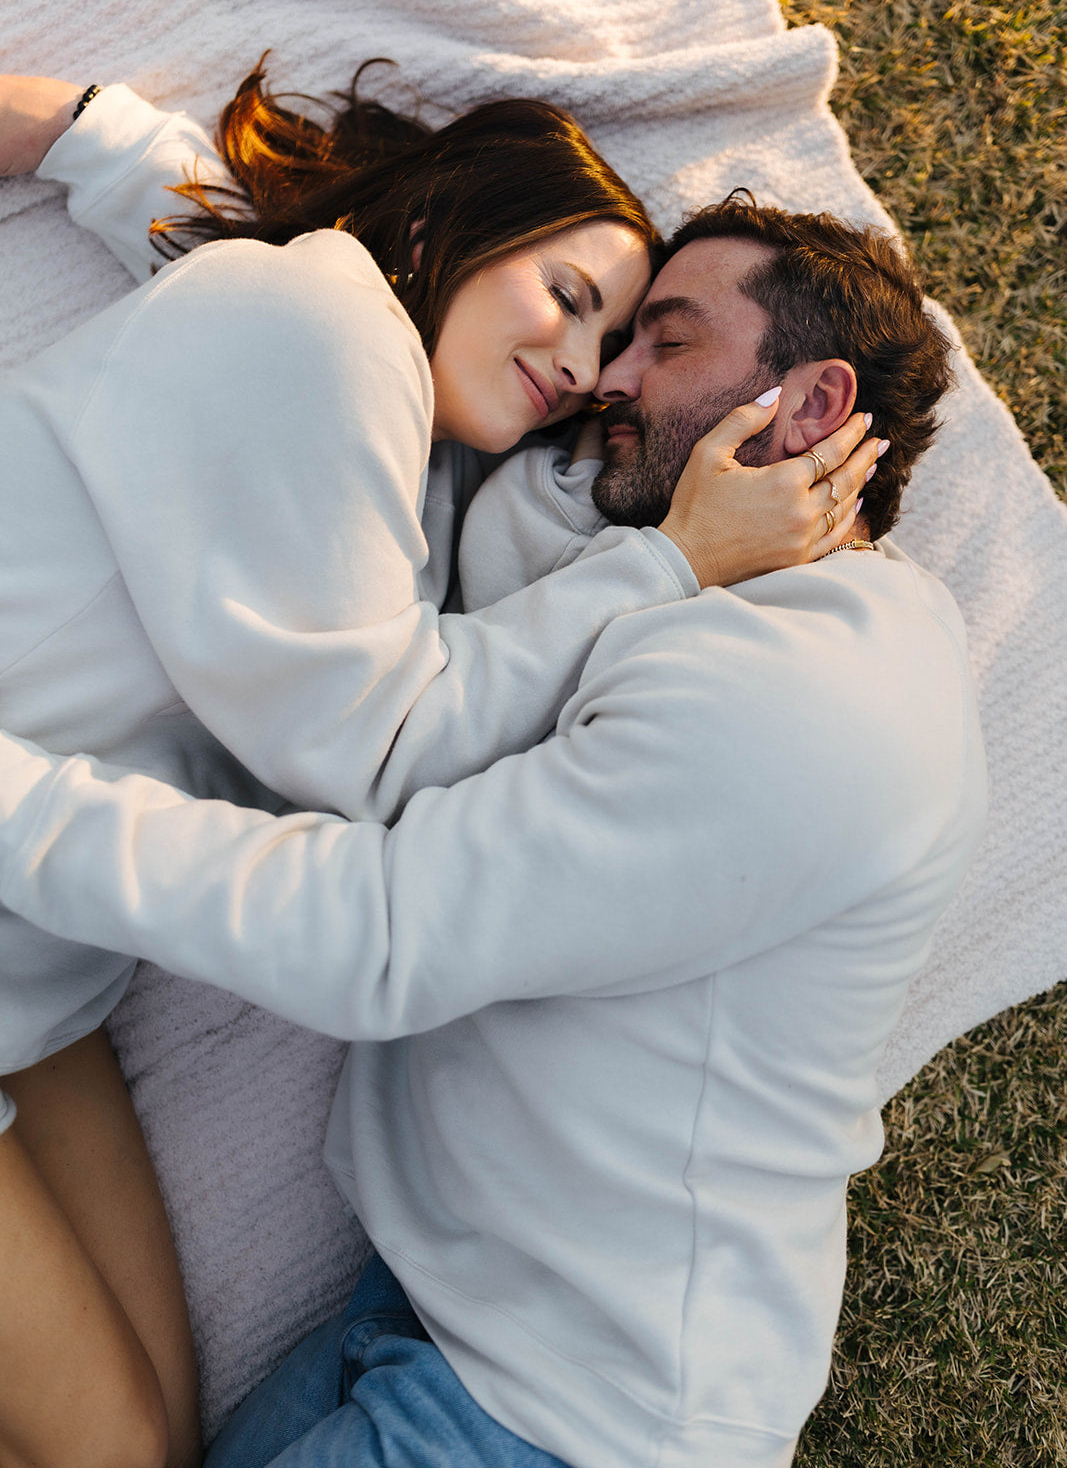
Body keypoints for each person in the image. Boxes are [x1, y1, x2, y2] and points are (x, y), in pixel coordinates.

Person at [0, 192, 987, 1467]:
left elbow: (376, 933)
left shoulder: (810, 701)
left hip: (565, 1411)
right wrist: (101, 140)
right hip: (454, 1323)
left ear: (806, 411)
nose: (603, 379)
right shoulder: (671, 592)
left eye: (661, 342)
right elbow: (345, 326)